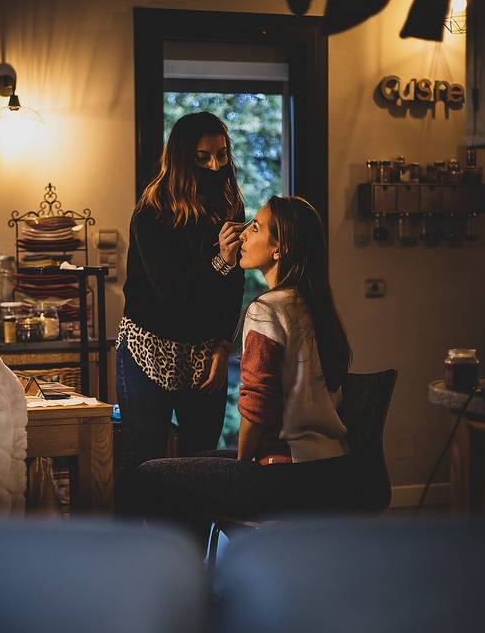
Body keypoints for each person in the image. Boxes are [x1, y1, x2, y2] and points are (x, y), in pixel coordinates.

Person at [127, 195, 358, 546]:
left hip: (284, 473)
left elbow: (256, 405)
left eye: (256, 227)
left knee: (149, 476)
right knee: (197, 461)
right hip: (333, 467)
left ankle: (178, 577)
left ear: (279, 249)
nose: (244, 235)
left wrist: (242, 464)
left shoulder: (266, 309)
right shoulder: (315, 307)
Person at [116, 111, 246, 508]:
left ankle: (194, 555)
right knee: (146, 461)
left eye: (221, 155)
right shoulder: (151, 212)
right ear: (181, 159)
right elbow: (170, 292)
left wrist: (224, 348)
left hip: (205, 350)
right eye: (203, 157)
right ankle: (140, 555)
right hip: (148, 347)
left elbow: (235, 286)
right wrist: (219, 262)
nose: (215, 165)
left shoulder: (229, 206)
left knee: (200, 464)